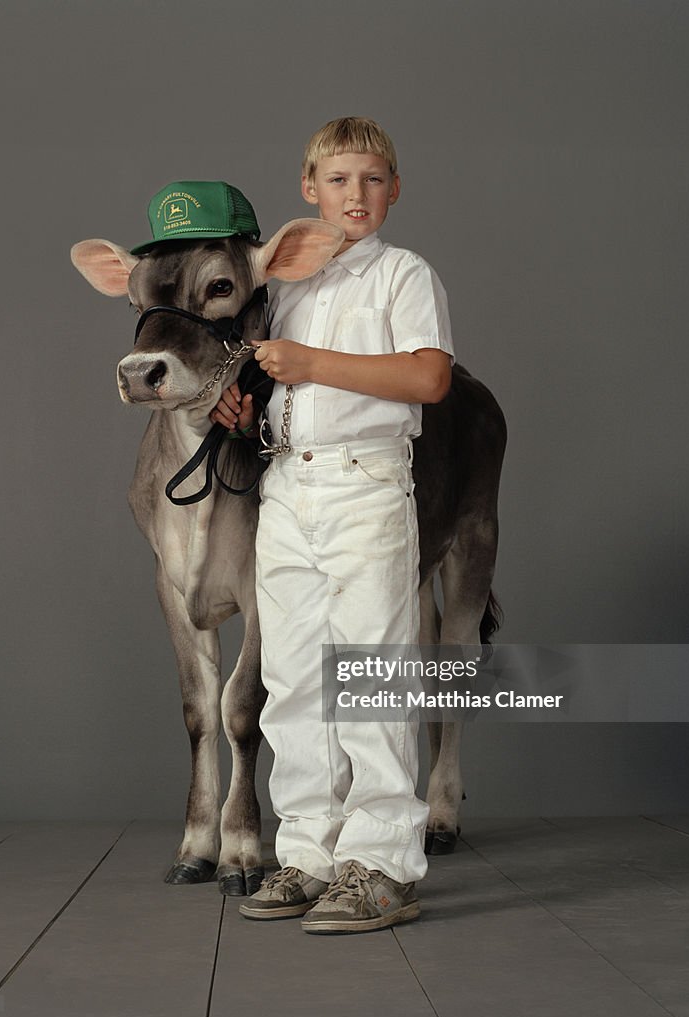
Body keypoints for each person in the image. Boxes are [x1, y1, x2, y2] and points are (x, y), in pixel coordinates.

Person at [210, 117, 455, 934]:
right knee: (293, 682)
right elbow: (281, 394)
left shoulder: (404, 274)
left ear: (396, 190)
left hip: (365, 489)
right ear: (308, 189)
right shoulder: (281, 288)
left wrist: (311, 364)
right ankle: (308, 856)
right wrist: (248, 411)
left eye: (373, 180)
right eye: (340, 180)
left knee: (371, 676)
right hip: (288, 489)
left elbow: (427, 377)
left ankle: (383, 866)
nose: (357, 195)